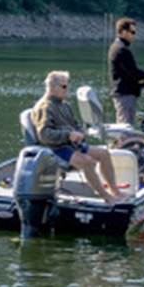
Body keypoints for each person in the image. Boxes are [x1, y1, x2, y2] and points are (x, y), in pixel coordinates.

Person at [31, 70, 125, 204]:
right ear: (53, 87)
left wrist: (80, 133)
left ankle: (115, 190)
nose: (67, 89)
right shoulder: (44, 107)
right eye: (64, 86)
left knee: (104, 154)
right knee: (87, 162)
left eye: (67, 85)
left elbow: (75, 125)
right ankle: (106, 197)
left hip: (71, 145)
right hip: (55, 149)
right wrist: (68, 135)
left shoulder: (65, 105)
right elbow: (44, 135)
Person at [108, 17, 144, 126]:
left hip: (125, 95)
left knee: (126, 128)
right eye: (132, 32)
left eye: (135, 32)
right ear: (123, 32)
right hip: (125, 97)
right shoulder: (121, 50)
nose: (134, 35)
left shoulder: (118, 47)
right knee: (125, 129)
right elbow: (134, 73)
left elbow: (128, 76)